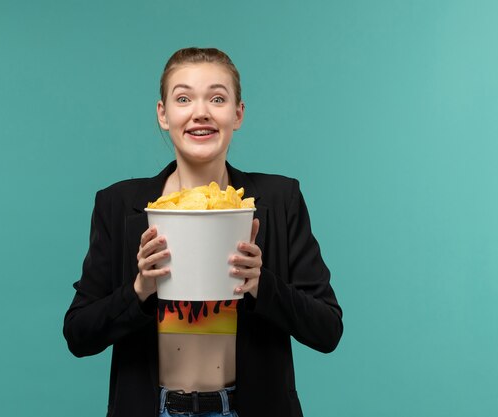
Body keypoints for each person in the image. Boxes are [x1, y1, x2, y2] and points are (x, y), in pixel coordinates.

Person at [63, 47, 343, 417]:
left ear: (238, 113)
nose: (201, 112)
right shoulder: (118, 206)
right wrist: (140, 290)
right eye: (183, 98)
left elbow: (327, 330)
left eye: (217, 98)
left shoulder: (280, 199)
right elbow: (79, 335)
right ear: (163, 114)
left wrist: (260, 282)